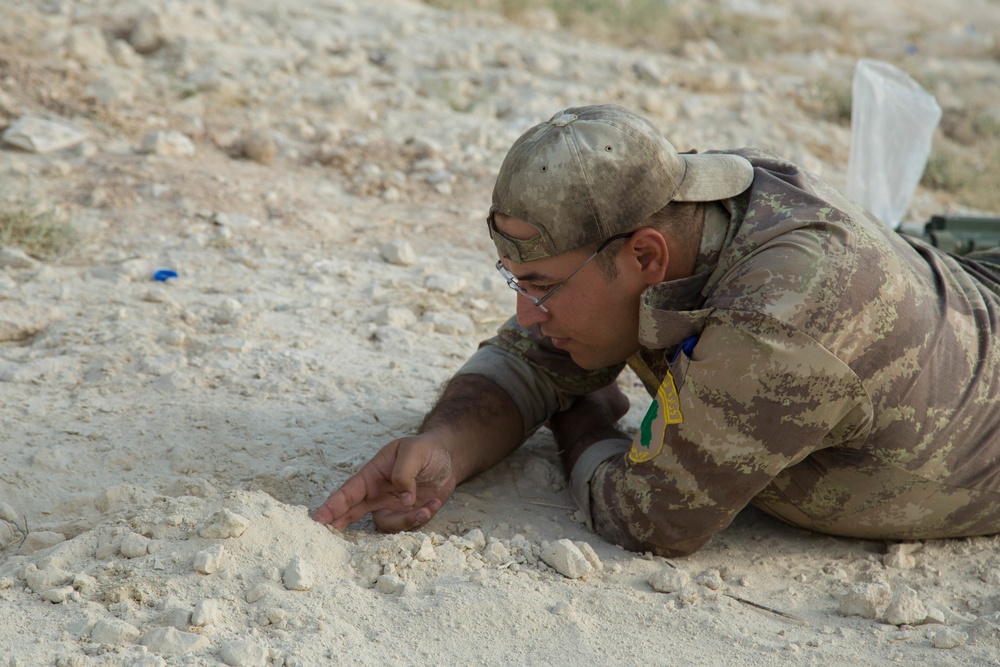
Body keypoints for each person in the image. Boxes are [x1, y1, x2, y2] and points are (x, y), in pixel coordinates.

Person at [312, 104, 1000, 557]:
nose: (526, 312)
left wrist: (578, 421)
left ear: (645, 255)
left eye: (543, 287)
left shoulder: (782, 319)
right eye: (518, 282)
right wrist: (443, 447)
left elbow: (653, 517)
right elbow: (530, 358)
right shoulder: (667, 212)